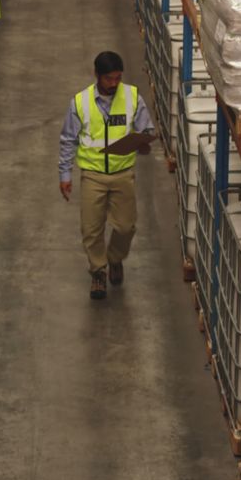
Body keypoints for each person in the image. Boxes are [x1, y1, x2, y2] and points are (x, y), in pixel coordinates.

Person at [58, 51, 156, 300]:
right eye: (109, 79)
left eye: (118, 78)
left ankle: (115, 258)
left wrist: (144, 140)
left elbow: (147, 128)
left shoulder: (132, 96)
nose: (114, 84)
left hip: (123, 172)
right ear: (97, 76)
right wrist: (65, 174)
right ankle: (98, 271)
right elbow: (68, 140)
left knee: (126, 227)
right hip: (93, 174)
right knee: (91, 229)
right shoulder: (80, 103)